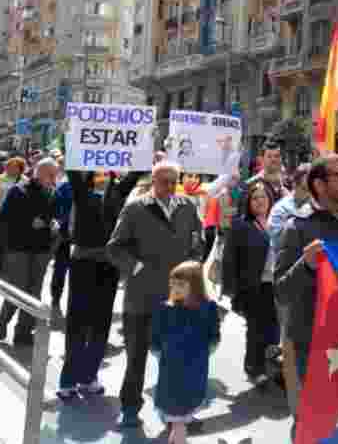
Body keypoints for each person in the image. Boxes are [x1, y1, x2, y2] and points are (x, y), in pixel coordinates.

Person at [106, 161, 205, 429]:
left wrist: (193, 264)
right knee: (136, 359)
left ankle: (177, 413)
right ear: (153, 181)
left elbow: (199, 239)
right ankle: (129, 409)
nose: (170, 187)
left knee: (176, 359)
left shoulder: (187, 206)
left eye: (174, 181)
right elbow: (115, 248)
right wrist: (138, 268)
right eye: (165, 181)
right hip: (142, 298)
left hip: (177, 298)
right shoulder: (136, 207)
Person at [275, 154, 338, 440]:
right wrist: (307, 264)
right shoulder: (298, 227)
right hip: (311, 342)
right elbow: (281, 289)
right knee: (312, 423)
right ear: (319, 184)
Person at [58, 169, 144, 400]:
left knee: (101, 322)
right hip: (83, 263)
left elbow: (135, 173)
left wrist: (150, 144)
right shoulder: (81, 191)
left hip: (108, 265)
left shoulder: (118, 193)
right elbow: (73, 166)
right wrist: (69, 137)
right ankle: (68, 379)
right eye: (97, 174)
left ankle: (89, 376)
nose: (102, 177)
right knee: (77, 321)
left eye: (106, 174)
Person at [151, 261, 220, 444]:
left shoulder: (208, 307)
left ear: (195, 286)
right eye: (172, 284)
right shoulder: (165, 308)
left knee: (178, 421)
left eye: (181, 284)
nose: (175, 288)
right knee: (178, 420)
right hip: (171, 370)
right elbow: (155, 338)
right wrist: (159, 352)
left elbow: (214, 336)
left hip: (194, 370)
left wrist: (203, 352)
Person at [0, 157, 59, 345]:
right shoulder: (18, 190)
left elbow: (53, 215)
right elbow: (5, 219)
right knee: (18, 290)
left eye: (55, 175)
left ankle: (23, 332)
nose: (54, 178)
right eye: (51, 175)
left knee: (34, 293)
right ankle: (3, 320)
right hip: (19, 248)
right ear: (40, 173)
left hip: (41, 249)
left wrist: (52, 223)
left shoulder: (52, 192)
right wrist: (28, 223)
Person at [223, 183, 280, 384]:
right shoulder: (241, 224)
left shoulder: (278, 221)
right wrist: (231, 289)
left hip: (277, 284)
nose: (260, 200)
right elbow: (230, 258)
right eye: (255, 197)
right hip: (253, 286)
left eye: (263, 196)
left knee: (275, 328)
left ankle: (272, 366)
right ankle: (254, 368)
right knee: (256, 329)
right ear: (248, 202)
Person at [267, 163, 311, 410]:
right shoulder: (282, 209)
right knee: (289, 334)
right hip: (290, 276)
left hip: (312, 281)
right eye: (307, 182)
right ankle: (290, 385)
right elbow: (276, 236)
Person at [0, 157, 25, 275]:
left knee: (15, 242)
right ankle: (0, 267)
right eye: (8, 166)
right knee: (1, 242)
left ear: (20, 169)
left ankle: (12, 267)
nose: (10, 169)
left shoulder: (25, 180)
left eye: (14, 167)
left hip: (18, 217)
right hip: (0, 214)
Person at [50, 166, 73, 314]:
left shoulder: (97, 185)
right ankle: (56, 299)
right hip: (65, 236)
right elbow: (55, 208)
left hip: (85, 238)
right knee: (60, 270)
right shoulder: (64, 186)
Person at [246, 141, 285, 206]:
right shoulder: (251, 184)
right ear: (262, 159)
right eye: (269, 156)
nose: (273, 159)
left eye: (277, 156)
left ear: (281, 158)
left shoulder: (289, 183)